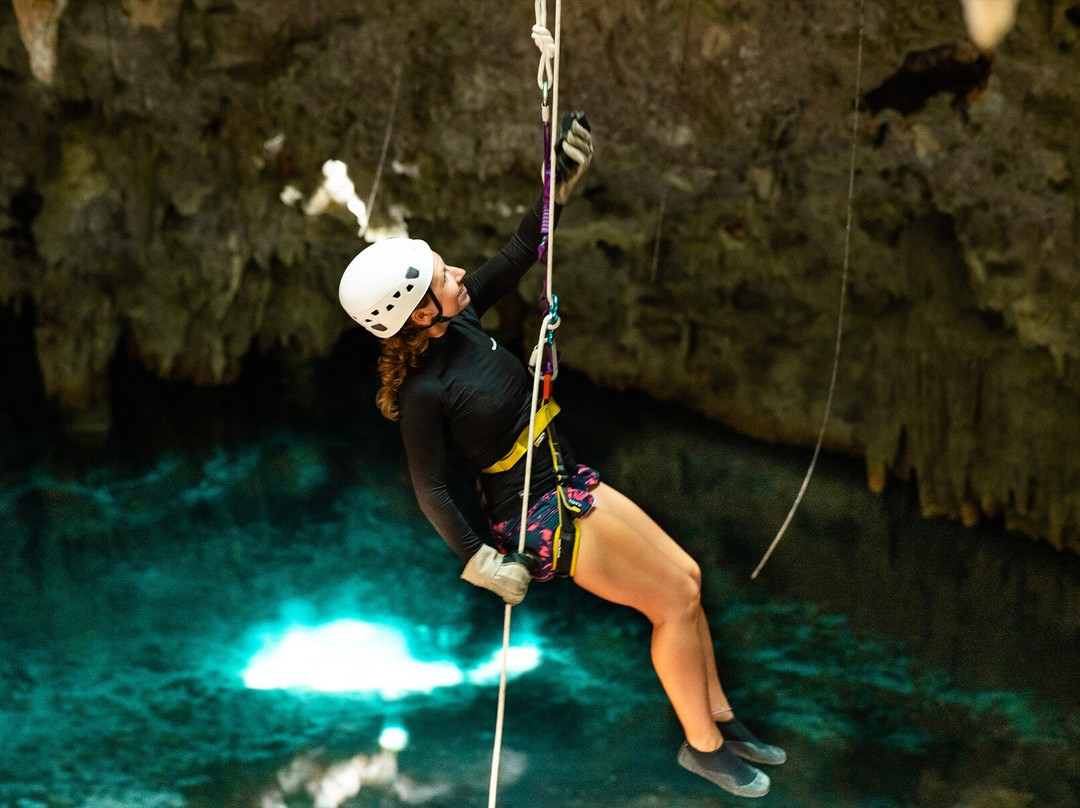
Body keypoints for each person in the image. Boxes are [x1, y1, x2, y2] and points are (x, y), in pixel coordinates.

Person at [338, 115, 786, 798]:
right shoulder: (426, 396)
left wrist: (556, 183)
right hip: (542, 515)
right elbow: (430, 487)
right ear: (419, 315)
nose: (457, 271)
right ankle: (703, 749)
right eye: (441, 275)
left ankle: (722, 719)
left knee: (689, 580)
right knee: (671, 603)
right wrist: (479, 561)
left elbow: (523, 247)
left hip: (566, 478)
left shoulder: (460, 315)